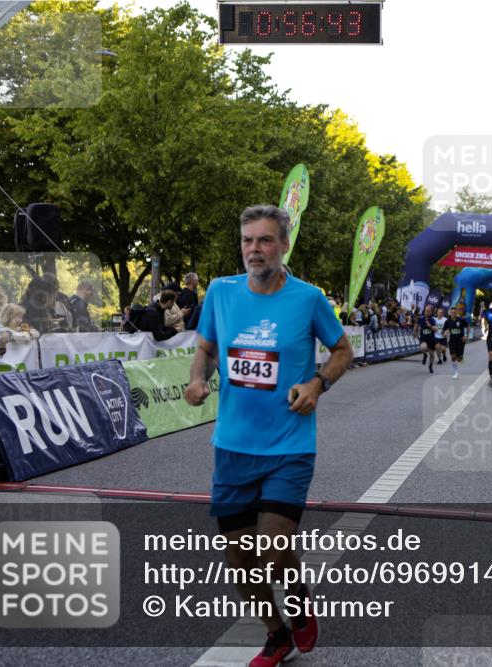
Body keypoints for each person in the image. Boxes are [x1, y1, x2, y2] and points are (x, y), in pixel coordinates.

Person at [184, 204, 351, 665]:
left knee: (274, 554)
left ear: (283, 245)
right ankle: (276, 634)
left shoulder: (309, 297)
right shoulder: (220, 291)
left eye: (264, 240)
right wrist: (198, 379)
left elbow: (342, 349)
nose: (254, 250)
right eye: (247, 240)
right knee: (239, 560)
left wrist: (318, 384)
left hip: (288, 446)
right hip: (233, 446)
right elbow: (206, 347)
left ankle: (297, 599)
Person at [443, 303, 470, 379]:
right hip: (452, 341)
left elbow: (468, 326)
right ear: (450, 313)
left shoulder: (461, 320)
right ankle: (456, 373)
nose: (453, 314)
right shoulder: (447, 321)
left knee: (459, 359)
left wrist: (466, 336)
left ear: (457, 313)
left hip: (461, 341)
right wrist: (444, 333)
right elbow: (444, 330)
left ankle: (461, 357)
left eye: (455, 312)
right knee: (453, 357)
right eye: (452, 313)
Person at [414, 303, 437, 373]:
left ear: (431, 312)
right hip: (423, 339)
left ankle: (430, 366)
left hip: (431, 340)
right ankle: (425, 355)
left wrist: (430, 326)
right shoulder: (421, 319)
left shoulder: (433, 320)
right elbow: (416, 325)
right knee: (423, 347)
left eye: (428, 311)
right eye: (425, 311)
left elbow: (436, 329)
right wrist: (414, 332)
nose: (426, 312)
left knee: (432, 355)